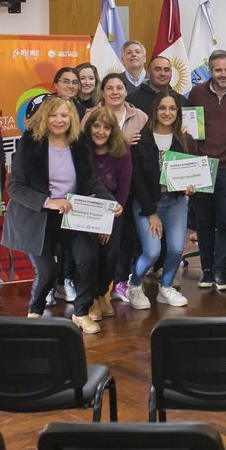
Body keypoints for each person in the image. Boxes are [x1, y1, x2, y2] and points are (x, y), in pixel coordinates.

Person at [1, 97, 115, 333]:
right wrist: (48, 202)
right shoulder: (30, 143)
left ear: (71, 117)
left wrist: (110, 203)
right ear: (44, 117)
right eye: (53, 115)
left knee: (88, 257)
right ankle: (35, 310)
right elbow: (15, 187)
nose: (59, 120)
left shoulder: (79, 142)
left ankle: (81, 313)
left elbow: (90, 179)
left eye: (64, 115)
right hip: (37, 216)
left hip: (71, 215)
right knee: (48, 271)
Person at [126, 92, 197, 310]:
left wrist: (192, 187)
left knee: (176, 249)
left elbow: (191, 172)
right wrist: (151, 213)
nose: (167, 113)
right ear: (155, 111)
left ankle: (165, 287)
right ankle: (134, 285)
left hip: (176, 201)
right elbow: (136, 181)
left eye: (172, 108)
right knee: (152, 252)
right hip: (148, 204)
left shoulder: (186, 139)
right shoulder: (140, 139)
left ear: (178, 112)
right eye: (162, 108)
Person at [186, 49, 226, 291]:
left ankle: (221, 270)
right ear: (210, 70)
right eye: (218, 69)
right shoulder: (197, 92)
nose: (223, 74)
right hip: (201, 166)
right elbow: (189, 127)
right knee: (204, 222)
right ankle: (207, 270)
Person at [82, 107, 132, 322]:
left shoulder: (122, 151)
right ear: (89, 127)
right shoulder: (81, 151)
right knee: (90, 256)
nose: (101, 131)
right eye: (96, 126)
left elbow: (123, 190)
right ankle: (92, 297)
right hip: (86, 212)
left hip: (114, 212)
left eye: (107, 127)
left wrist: (109, 221)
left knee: (111, 256)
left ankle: (103, 292)